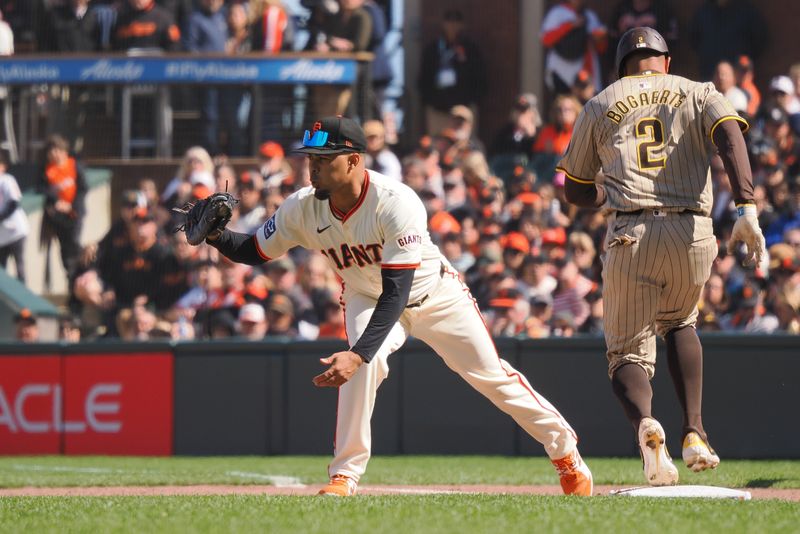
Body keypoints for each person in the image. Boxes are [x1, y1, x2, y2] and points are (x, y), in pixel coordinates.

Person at [195, 116, 593, 497]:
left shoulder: (395, 201)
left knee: (490, 376)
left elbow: (396, 292)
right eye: (309, 159)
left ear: (353, 161)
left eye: (322, 159)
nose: (311, 168)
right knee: (363, 369)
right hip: (365, 295)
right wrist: (216, 235)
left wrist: (358, 352)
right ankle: (345, 475)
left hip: (433, 294)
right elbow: (254, 249)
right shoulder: (302, 206)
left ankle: (565, 452)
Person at [557, 27, 765, 486]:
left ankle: (647, 425)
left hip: (632, 230)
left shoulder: (601, 101)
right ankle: (695, 431)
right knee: (682, 322)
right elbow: (730, 135)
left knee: (627, 353)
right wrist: (746, 207)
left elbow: (572, 187)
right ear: (665, 62)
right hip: (693, 229)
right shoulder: (697, 90)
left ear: (622, 69)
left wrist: (607, 191)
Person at [419, 9, 487, 136]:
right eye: (449, 22)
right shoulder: (434, 49)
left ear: (462, 25)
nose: (452, 26)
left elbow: (479, 77)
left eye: (456, 22)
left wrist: (472, 100)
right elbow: (424, 77)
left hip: (463, 108)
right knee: (439, 145)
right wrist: (430, 101)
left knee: (463, 147)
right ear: (443, 24)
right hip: (438, 109)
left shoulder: (470, 49)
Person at [39, 134, 87, 283]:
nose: (54, 154)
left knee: (74, 244)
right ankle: (71, 277)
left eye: (57, 150)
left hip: (74, 214)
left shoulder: (74, 166)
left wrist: (71, 206)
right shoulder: (47, 170)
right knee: (64, 250)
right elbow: (42, 189)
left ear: (64, 151)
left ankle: (81, 274)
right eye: (51, 151)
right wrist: (55, 201)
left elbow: (83, 188)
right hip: (58, 217)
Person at [540, 0, 607, 94]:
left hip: (584, 74)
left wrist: (599, 38)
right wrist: (571, 25)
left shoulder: (589, 15)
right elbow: (546, 39)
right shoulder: (557, 13)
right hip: (561, 73)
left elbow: (601, 48)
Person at [0, 153, 28, 283]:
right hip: (2, 236)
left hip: (16, 231)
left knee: (19, 267)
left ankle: (24, 300)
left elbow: (13, 203)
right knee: (2, 270)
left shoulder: (7, 180)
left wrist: (1, 217)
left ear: (3, 166)